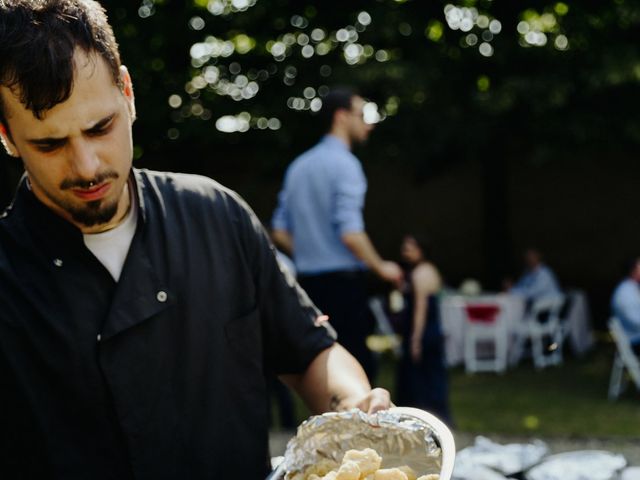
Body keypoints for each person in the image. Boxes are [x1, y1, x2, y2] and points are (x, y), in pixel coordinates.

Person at [0, 2, 391, 478]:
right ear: (7, 136)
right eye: (50, 144)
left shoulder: (215, 214)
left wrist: (354, 405)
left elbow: (310, 351)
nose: (86, 166)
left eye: (99, 128)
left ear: (127, 92)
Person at [271, 88, 402, 381]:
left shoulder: (298, 167)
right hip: (344, 286)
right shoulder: (346, 165)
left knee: (321, 367)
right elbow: (351, 234)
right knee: (356, 370)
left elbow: (279, 231)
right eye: (363, 115)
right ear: (341, 117)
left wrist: (309, 251)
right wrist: (383, 268)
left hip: (307, 285)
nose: (369, 124)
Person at [395, 235, 452, 425]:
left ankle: (421, 416)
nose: (405, 251)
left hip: (423, 331)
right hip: (431, 330)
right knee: (432, 375)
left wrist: (415, 339)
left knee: (419, 377)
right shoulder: (429, 270)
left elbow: (420, 308)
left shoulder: (420, 273)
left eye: (409, 248)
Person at [611, 257, 640, 355]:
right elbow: (633, 319)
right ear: (633, 270)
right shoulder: (625, 292)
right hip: (634, 339)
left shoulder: (631, 288)